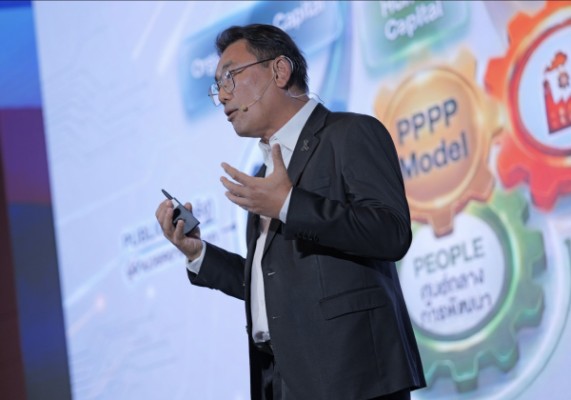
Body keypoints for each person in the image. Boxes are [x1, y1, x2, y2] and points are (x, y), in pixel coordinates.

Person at [156, 23, 426, 400]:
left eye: (230, 77)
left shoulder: (350, 133)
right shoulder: (263, 175)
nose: (222, 95)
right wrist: (198, 253)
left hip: (354, 378)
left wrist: (288, 205)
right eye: (217, 86)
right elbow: (271, 284)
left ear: (279, 71)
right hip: (282, 381)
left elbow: (391, 233)